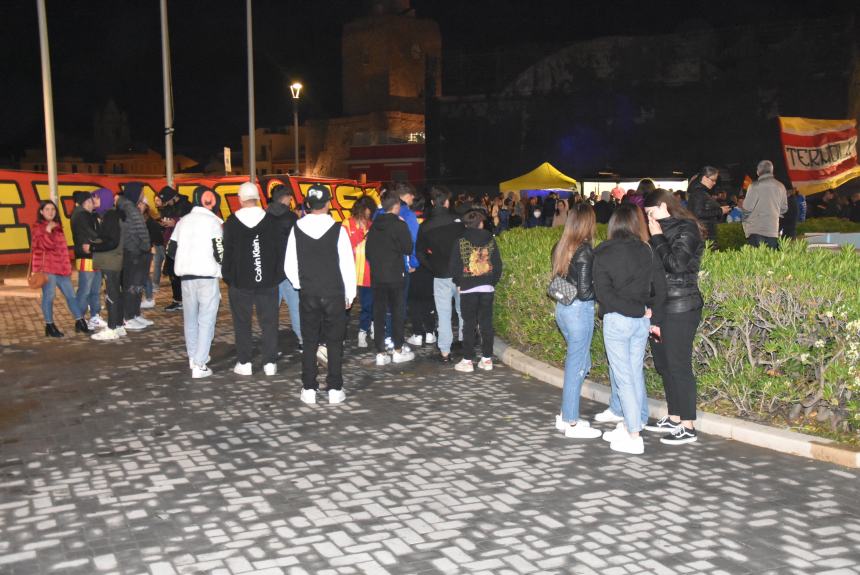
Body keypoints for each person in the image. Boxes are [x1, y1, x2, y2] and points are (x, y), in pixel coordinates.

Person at [593, 203, 666, 455]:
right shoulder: (647, 249)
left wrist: (637, 311)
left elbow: (604, 294)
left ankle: (634, 435)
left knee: (623, 376)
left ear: (613, 225)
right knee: (634, 373)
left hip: (618, 320)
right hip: (640, 321)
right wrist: (649, 311)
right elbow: (659, 285)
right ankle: (634, 422)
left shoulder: (602, 252)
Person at [643, 188, 705, 445]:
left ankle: (688, 426)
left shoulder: (687, 229)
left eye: (651, 212)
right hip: (660, 308)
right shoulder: (662, 232)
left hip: (681, 307)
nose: (649, 219)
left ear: (664, 206)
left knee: (679, 365)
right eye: (646, 215)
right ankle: (675, 415)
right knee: (664, 365)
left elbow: (676, 265)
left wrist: (657, 236)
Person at [285, 183, 357, 404]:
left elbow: (289, 264)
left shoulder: (296, 228)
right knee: (334, 341)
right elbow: (347, 264)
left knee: (309, 341)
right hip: (334, 291)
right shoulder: (338, 230)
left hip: (309, 293)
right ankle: (335, 388)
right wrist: (350, 294)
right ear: (328, 203)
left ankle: (309, 388)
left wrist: (301, 284)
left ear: (307, 204)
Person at [221, 181, 283, 376]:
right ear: (258, 198)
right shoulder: (271, 220)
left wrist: (229, 277)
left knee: (242, 322)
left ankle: (245, 362)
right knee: (270, 322)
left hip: (240, 282)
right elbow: (279, 251)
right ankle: (270, 363)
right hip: (268, 281)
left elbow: (227, 253)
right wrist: (276, 275)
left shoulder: (231, 222)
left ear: (240, 199)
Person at [551, 204, 601, 439]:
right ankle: (570, 421)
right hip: (579, 311)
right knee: (576, 366)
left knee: (582, 362)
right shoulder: (585, 251)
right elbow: (584, 292)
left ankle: (565, 415)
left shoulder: (561, 246)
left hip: (563, 308)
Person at [169, 186, 224, 378]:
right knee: (206, 320)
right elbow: (220, 252)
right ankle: (200, 364)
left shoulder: (182, 222)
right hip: (207, 277)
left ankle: (193, 357)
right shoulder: (213, 222)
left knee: (190, 319)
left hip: (186, 277)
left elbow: (171, 249)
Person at [365, 191, 416, 366]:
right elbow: (408, 248)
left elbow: (368, 253)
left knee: (378, 312)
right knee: (397, 311)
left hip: (378, 275)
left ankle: (380, 352)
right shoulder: (399, 225)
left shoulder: (373, 226)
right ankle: (397, 349)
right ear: (396, 207)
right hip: (396, 274)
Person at [450, 210, 503, 372]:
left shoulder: (460, 241)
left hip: (467, 287)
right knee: (486, 323)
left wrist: (459, 282)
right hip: (487, 287)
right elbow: (498, 265)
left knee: (469, 324)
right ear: (480, 223)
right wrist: (491, 282)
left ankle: (467, 360)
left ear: (466, 225)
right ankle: (487, 359)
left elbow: (454, 266)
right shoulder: (491, 240)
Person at [416, 186, 465, 362]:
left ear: (431, 202)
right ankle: (464, 343)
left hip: (440, 275)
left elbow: (419, 253)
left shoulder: (425, 226)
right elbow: (465, 247)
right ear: (447, 202)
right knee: (462, 311)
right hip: (460, 274)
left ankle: (445, 352)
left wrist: (432, 266)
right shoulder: (458, 221)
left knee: (443, 314)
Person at [31, 200, 89, 337]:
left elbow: (61, 250)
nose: (50, 212)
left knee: (71, 295)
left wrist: (67, 267)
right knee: (49, 297)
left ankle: (80, 321)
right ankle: (49, 325)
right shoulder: (37, 227)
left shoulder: (58, 226)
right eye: (47, 209)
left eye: (53, 209)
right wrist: (47, 231)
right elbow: (44, 246)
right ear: (41, 212)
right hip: (47, 269)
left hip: (61, 269)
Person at [267, 184, 302, 350]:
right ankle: (302, 340)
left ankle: (271, 343)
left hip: (270, 270)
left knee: (271, 310)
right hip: (288, 270)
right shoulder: (292, 218)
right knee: (295, 307)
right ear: (286, 198)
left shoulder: (264, 216)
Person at [90, 189, 126, 341]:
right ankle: (118, 325)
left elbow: (112, 241)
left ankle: (111, 328)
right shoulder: (111, 215)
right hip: (113, 260)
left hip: (110, 260)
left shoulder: (110, 216)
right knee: (115, 293)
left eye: (96, 198)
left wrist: (93, 247)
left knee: (111, 294)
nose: (94, 201)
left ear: (104, 199)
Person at [117, 183, 153, 331]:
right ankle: (128, 317)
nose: (142, 195)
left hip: (138, 253)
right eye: (141, 192)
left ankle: (135, 314)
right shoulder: (128, 208)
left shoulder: (132, 207)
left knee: (137, 286)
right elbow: (135, 232)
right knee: (131, 286)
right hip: (134, 254)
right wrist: (142, 248)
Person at [343, 195, 377, 348]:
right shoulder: (346, 225)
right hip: (349, 271)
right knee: (345, 305)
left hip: (367, 272)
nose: (370, 213)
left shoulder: (372, 224)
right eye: (369, 210)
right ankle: (341, 334)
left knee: (368, 304)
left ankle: (364, 331)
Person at [70, 190, 106, 330]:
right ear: (85, 202)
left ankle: (94, 316)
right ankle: (80, 319)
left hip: (93, 255)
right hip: (86, 256)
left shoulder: (88, 215)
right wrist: (104, 239)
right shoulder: (81, 215)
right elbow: (92, 233)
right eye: (91, 201)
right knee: (85, 289)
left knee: (95, 289)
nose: (93, 203)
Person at [405, 193, 436, 347]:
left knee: (414, 300)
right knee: (428, 299)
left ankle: (417, 333)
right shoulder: (429, 223)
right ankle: (430, 332)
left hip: (411, 265)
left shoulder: (405, 221)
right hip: (428, 265)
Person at [156, 186, 192, 312]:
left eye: (167, 201)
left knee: (181, 273)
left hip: (182, 244)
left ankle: (184, 299)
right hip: (171, 241)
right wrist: (164, 223)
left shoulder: (187, 206)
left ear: (173, 197)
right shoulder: (170, 206)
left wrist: (175, 222)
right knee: (172, 272)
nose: (166, 204)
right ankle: (178, 299)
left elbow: (189, 221)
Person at [742, 160, 788, 249]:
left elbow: (747, 208)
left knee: (757, 260)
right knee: (771, 260)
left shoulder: (754, 186)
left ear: (758, 172)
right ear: (772, 171)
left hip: (756, 229)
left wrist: (745, 222)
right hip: (773, 229)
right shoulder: (781, 186)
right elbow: (784, 209)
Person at [687, 167, 730, 249]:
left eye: (715, 180)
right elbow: (697, 213)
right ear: (704, 178)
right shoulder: (699, 192)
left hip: (705, 233)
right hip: (704, 235)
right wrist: (720, 211)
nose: (714, 183)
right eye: (713, 180)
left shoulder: (701, 191)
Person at [141, 204, 164, 309]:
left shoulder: (148, 221)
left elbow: (150, 236)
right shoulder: (146, 219)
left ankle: (150, 295)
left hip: (155, 246)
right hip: (151, 246)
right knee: (145, 273)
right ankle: (149, 296)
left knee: (151, 269)